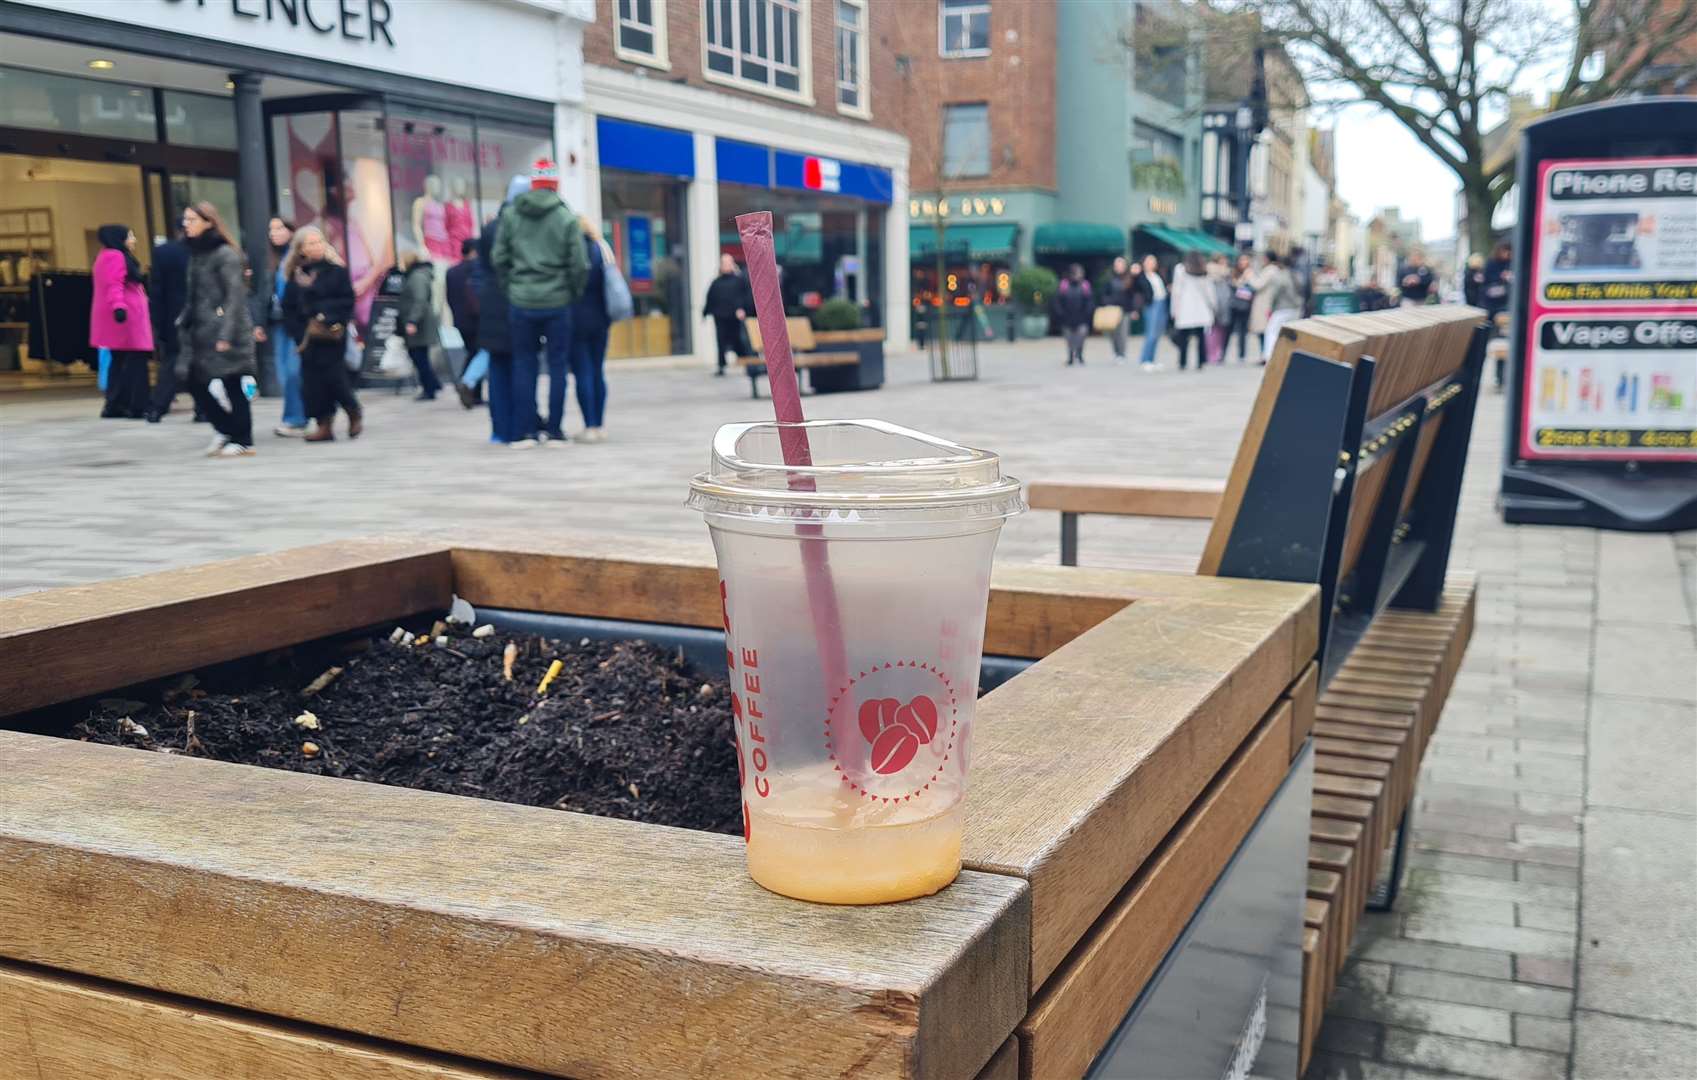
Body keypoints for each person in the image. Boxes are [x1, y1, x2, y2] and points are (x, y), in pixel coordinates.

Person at [492, 157, 587, 448]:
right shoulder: (566, 217)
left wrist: (513, 289)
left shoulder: (511, 216)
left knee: (524, 365)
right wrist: (571, 293)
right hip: (557, 301)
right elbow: (579, 264)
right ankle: (555, 431)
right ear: (555, 183)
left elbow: (499, 258)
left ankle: (526, 432)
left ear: (533, 183)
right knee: (557, 366)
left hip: (521, 300)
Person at [176, 202, 256, 457]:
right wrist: (184, 320)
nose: (186, 224)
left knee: (233, 382)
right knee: (193, 380)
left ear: (209, 222)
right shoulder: (196, 254)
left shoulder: (225, 254)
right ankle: (226, 429)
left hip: (225, 330)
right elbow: (194, 295)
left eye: (192, 220)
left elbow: (235, 297)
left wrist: (226, 335)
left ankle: (242, 438)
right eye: (185, 220)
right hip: (200, 331)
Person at [282, 225, 361, 442]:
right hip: (308, 338)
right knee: (312, 382)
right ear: (301, 249)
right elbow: (288, 309)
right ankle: (323, 423)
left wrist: (326, 314)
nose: (316, 246)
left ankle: (352, 409)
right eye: (311, 243)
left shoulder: (336, 272)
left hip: (332, 334)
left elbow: (347, 300)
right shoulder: (295, 276)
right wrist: (299, 333)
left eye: (319, 242)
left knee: (334, 377)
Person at [474, 176, 528, 445]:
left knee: (498, 369)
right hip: (518, 304)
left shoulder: (490, 228)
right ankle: (520, 426)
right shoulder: (523, 228)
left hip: (492, 307)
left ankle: (499, 429)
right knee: (520, 366)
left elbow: (480, 272)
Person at [90, 224, 154, 420]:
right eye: (130, 236)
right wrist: (119, 307)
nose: (133, 239)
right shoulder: (115, 256)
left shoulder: (105, 256)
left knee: (119, 362)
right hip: (127, 317)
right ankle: (136, 405)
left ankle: (115, 404)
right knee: (136, 361)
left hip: (121, 316)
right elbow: (114, 284)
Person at [263, 217, 308, 437]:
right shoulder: (274, 259)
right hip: (278, 322)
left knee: (292, 371)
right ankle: (299, 415)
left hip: (296, 322)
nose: (274, 233)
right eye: (271, 229)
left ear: (291, 230)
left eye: (279, 228)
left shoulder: (299, 256)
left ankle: (296, 418)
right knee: (284, 372)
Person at [570, 218, 612, 443]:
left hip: (576, 319)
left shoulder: (570, 252)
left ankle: (589, 425)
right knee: (597, 371)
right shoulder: (602, 249)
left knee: (582, 373)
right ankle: (600, 424)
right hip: (601, 318)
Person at [146, 229, 190, 421]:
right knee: (199, 361)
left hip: (172, 314)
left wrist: (156, 319)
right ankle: (204, 409)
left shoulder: (164, 252)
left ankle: (157, 407)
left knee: (172, 360)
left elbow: (156, 290)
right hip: (198, 313)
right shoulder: (203, 251)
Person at [398, 251, 442, 401]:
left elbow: (419, 300)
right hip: (419, 324)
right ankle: (433, 384)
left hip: (419, 326)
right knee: (421, 356)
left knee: (419, 357)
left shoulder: (416, 277)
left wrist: (412, 321)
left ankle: (429, 388)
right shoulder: (417, 275)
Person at [445, 237, 482, 408]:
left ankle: (470, 388)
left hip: (460, 320)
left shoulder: (451, 272)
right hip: (476, 319)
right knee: (478, 352)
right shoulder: (475, 268)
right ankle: (469, 386)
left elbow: (449, 298)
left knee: (472, 351)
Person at [703, 253, 752, 377]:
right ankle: (721, 366)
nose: (725, 265)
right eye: (723, 263)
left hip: (735, 316)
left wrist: (742, 309)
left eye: (728, 263)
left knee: (739, 341)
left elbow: (745, 297)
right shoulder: (716, 282)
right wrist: (705, 312)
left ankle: (747, 364)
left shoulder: (740, 280)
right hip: (720, 316)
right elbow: (710, 297)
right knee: (721, 341)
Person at [1168, 250, 1217, 372]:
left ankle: (1182, 362)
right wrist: (1214, 306)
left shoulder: (1180, 269)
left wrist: (1174, 309)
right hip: (1201, 308)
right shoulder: (1203, 270)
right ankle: (1201, 362)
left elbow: (1176, 291)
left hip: (1185, 307)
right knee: (1201, 337)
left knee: (1184, 338)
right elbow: (1209, 291)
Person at [1258, 251, 1303, 364]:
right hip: (1295, 308)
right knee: (1289, 334)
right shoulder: (1297, 275)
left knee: (1271, 331)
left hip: (1282, 308)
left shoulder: (1280, 276)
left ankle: (1269, 356)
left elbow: (1275, 294)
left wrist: (1271, 307)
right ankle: (1287, 356)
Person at [1483, 241, 1513, 388]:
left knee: (1507, 345)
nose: (1508, 255)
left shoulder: (1512, 263)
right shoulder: (1492, 265)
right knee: (1500, 345)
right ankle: (1500, 377)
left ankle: (1505, 377)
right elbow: (1486, 288)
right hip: (1497, 310)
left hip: (1509, 309)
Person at [1052, 263, 1094, 366]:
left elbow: (1090, 301)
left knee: (1081, 337)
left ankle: (1079, 355)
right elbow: (1057, 301)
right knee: (1069, 338)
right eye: (1076, 273)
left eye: (1080, 273)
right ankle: (1070, 356)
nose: (1078, 275)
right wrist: (1060, 313)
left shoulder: (1085, 286)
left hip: (1082, 317)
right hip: (1067, 317)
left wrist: (1087, 313)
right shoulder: (1064, 285)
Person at [1135, 254, 1169, 371]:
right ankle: (1145, 360)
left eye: (1153, 261)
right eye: (1149, 261)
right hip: (1151, 305)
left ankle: (1151, 359)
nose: (1151, 263)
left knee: (1157, 333)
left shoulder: (1157, 275)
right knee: (1151, 333)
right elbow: (1135, 289)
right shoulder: (1141, 276)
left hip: (1161, 303)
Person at [1102, 256, 1139, 364]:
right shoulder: (1109, 279)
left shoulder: (1130, 278)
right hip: (1112, 310)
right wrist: (1108, 303)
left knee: (1122, 333)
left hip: (1125, 310)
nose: (1119, 267)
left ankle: (1122, 354)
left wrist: (1134, 310)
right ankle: (1116, 352)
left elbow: (1133, 296)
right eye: (1117, 264)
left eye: (1121, 264)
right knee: (1113, 333)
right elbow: (1104, 294)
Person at [1205, 253, 1233, 366]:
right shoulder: (1221, 273)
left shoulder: (1210, 273)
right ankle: (1214, 354)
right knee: (1216, 331)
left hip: (1219, 304)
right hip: (1218, 304)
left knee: (1214, 331)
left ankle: (1214, 354)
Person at [1227, 254, 1255, 363]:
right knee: (1229, 329)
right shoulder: (1234, 272)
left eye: (1246, 260)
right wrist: (1242, 280)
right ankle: (1223, 353)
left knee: (1243, 331)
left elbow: (1253, 288)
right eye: (1242, 260)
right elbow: (1233, 285)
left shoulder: (1250, 273)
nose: (1243, 262)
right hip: (1234, 305)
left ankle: (1242, 354)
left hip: (1245, 306)